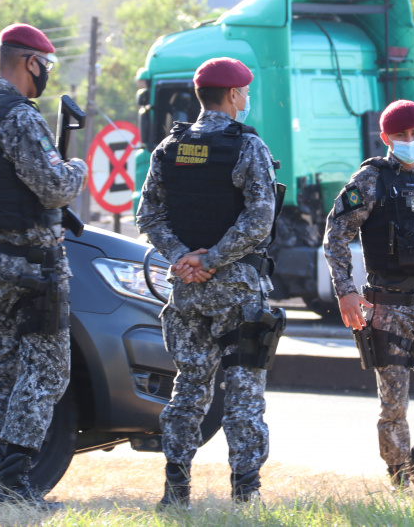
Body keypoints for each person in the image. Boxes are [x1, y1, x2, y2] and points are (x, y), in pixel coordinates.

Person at [0, 23, 87, 509]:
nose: (45, 75)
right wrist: (77, 169)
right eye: (44, 66)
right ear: (31, 62)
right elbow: (55, 188)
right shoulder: (20, 116)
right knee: (46, 371)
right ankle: (13, 481)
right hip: (35, 269)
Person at [136, 57, 282, 508]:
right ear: (234, 95)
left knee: (187, 390)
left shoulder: (169, 147)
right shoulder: (247, 146)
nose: (247, 98)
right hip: (238, 291)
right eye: (246, 92)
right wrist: (213, 259)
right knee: (243, 396)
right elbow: (259, 220)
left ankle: (175, 491)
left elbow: (148, 217)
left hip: (188, 293)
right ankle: (246, 495)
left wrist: (183, 259)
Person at [323, 100, 414, 489]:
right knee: (393, 406)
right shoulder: (370, 180)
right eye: (401, 135)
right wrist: (345, 291)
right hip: (387, 308)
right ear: (386, 138)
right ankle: (400, 475)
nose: (409, 140)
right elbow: (335, 235)